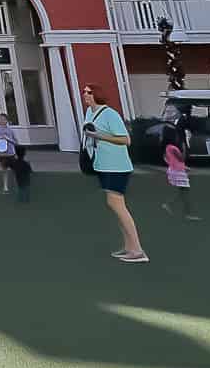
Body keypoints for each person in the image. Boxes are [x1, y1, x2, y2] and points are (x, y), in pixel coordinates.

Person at [82, 85, 148, 263]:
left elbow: (125, 140)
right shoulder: (89, 112)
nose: (85, 95)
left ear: (97, 94)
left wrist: (99, 136)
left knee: (117, 205)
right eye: (84, 92)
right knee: (115, 206)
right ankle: (129, 247)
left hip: (117, 166)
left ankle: (138, 250)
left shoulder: (110, 114)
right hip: (102, 165)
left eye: (89, 92)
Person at [163, 128, 200, 221]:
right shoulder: (173, 148)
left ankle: (169, 204)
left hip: (175, 170)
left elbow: (167, 159)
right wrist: (184, 147)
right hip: (178, 172)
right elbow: (182, 158)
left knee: (183, 192)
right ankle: (187, 214)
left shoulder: (167, 147)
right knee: (185, 193)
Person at [0, 113, 20, 194]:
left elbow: (16, 142)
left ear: (6, 121)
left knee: (15, 171)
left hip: (11, 154)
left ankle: (19, 186)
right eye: (0, 119)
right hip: (2, 154)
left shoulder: (10, 130)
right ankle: (5, 188)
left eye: (3, 119)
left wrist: (7, 139)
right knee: (4, 171)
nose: (1, 120)